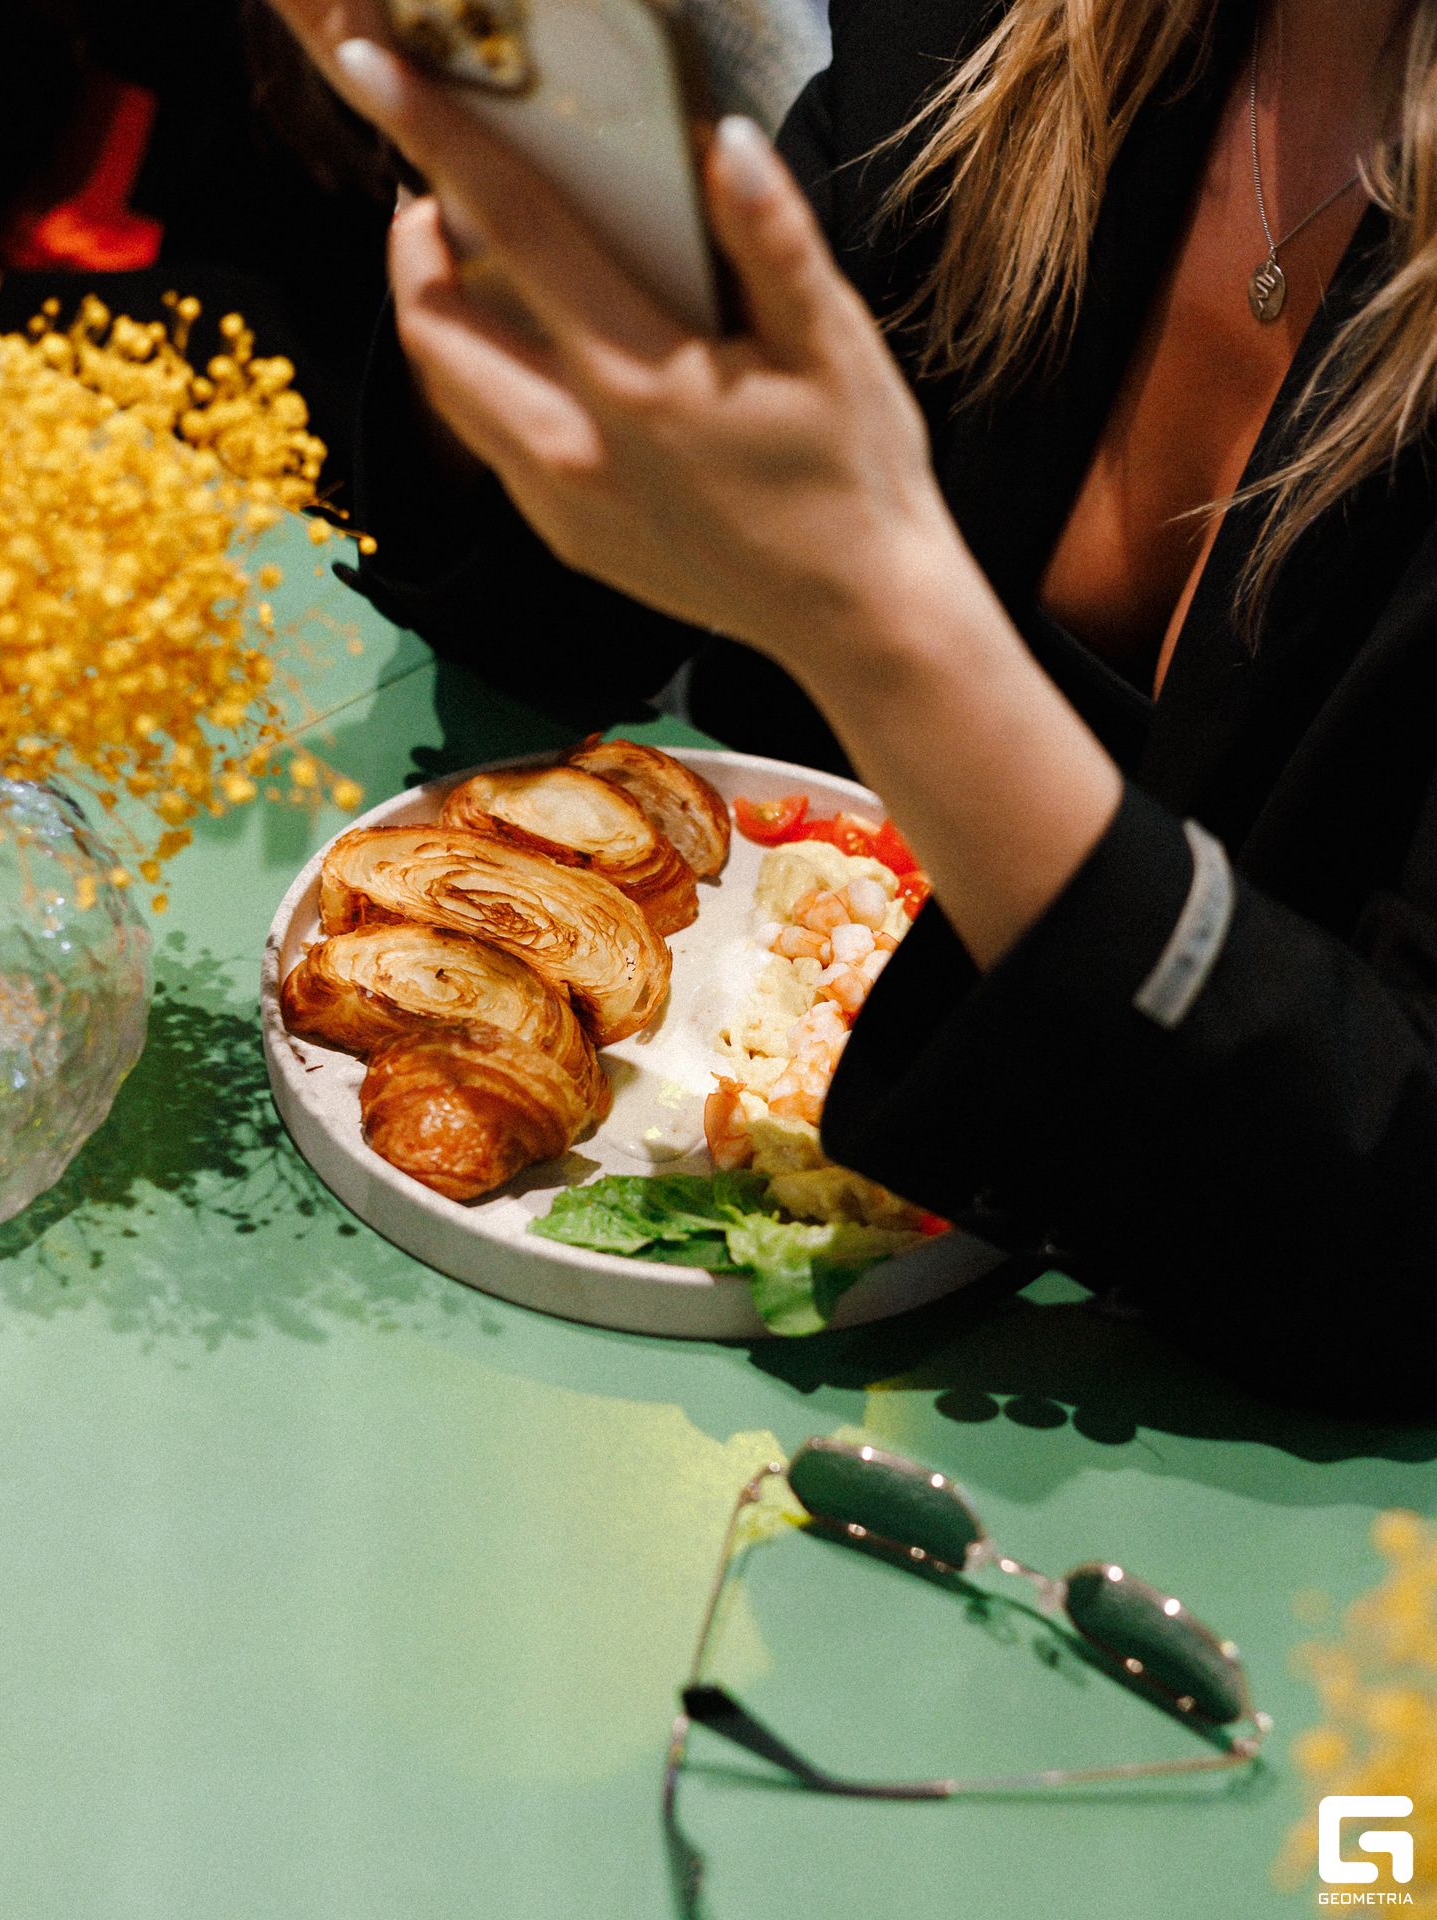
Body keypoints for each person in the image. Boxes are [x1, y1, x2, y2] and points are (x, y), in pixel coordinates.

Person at [268, 0, 1437, 1413]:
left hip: (1164, 1379)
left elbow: (1400, 1231)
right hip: (650, 1286)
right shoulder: (995, 34)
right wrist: (512, 220)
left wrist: (883, 626)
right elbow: (555, 623)